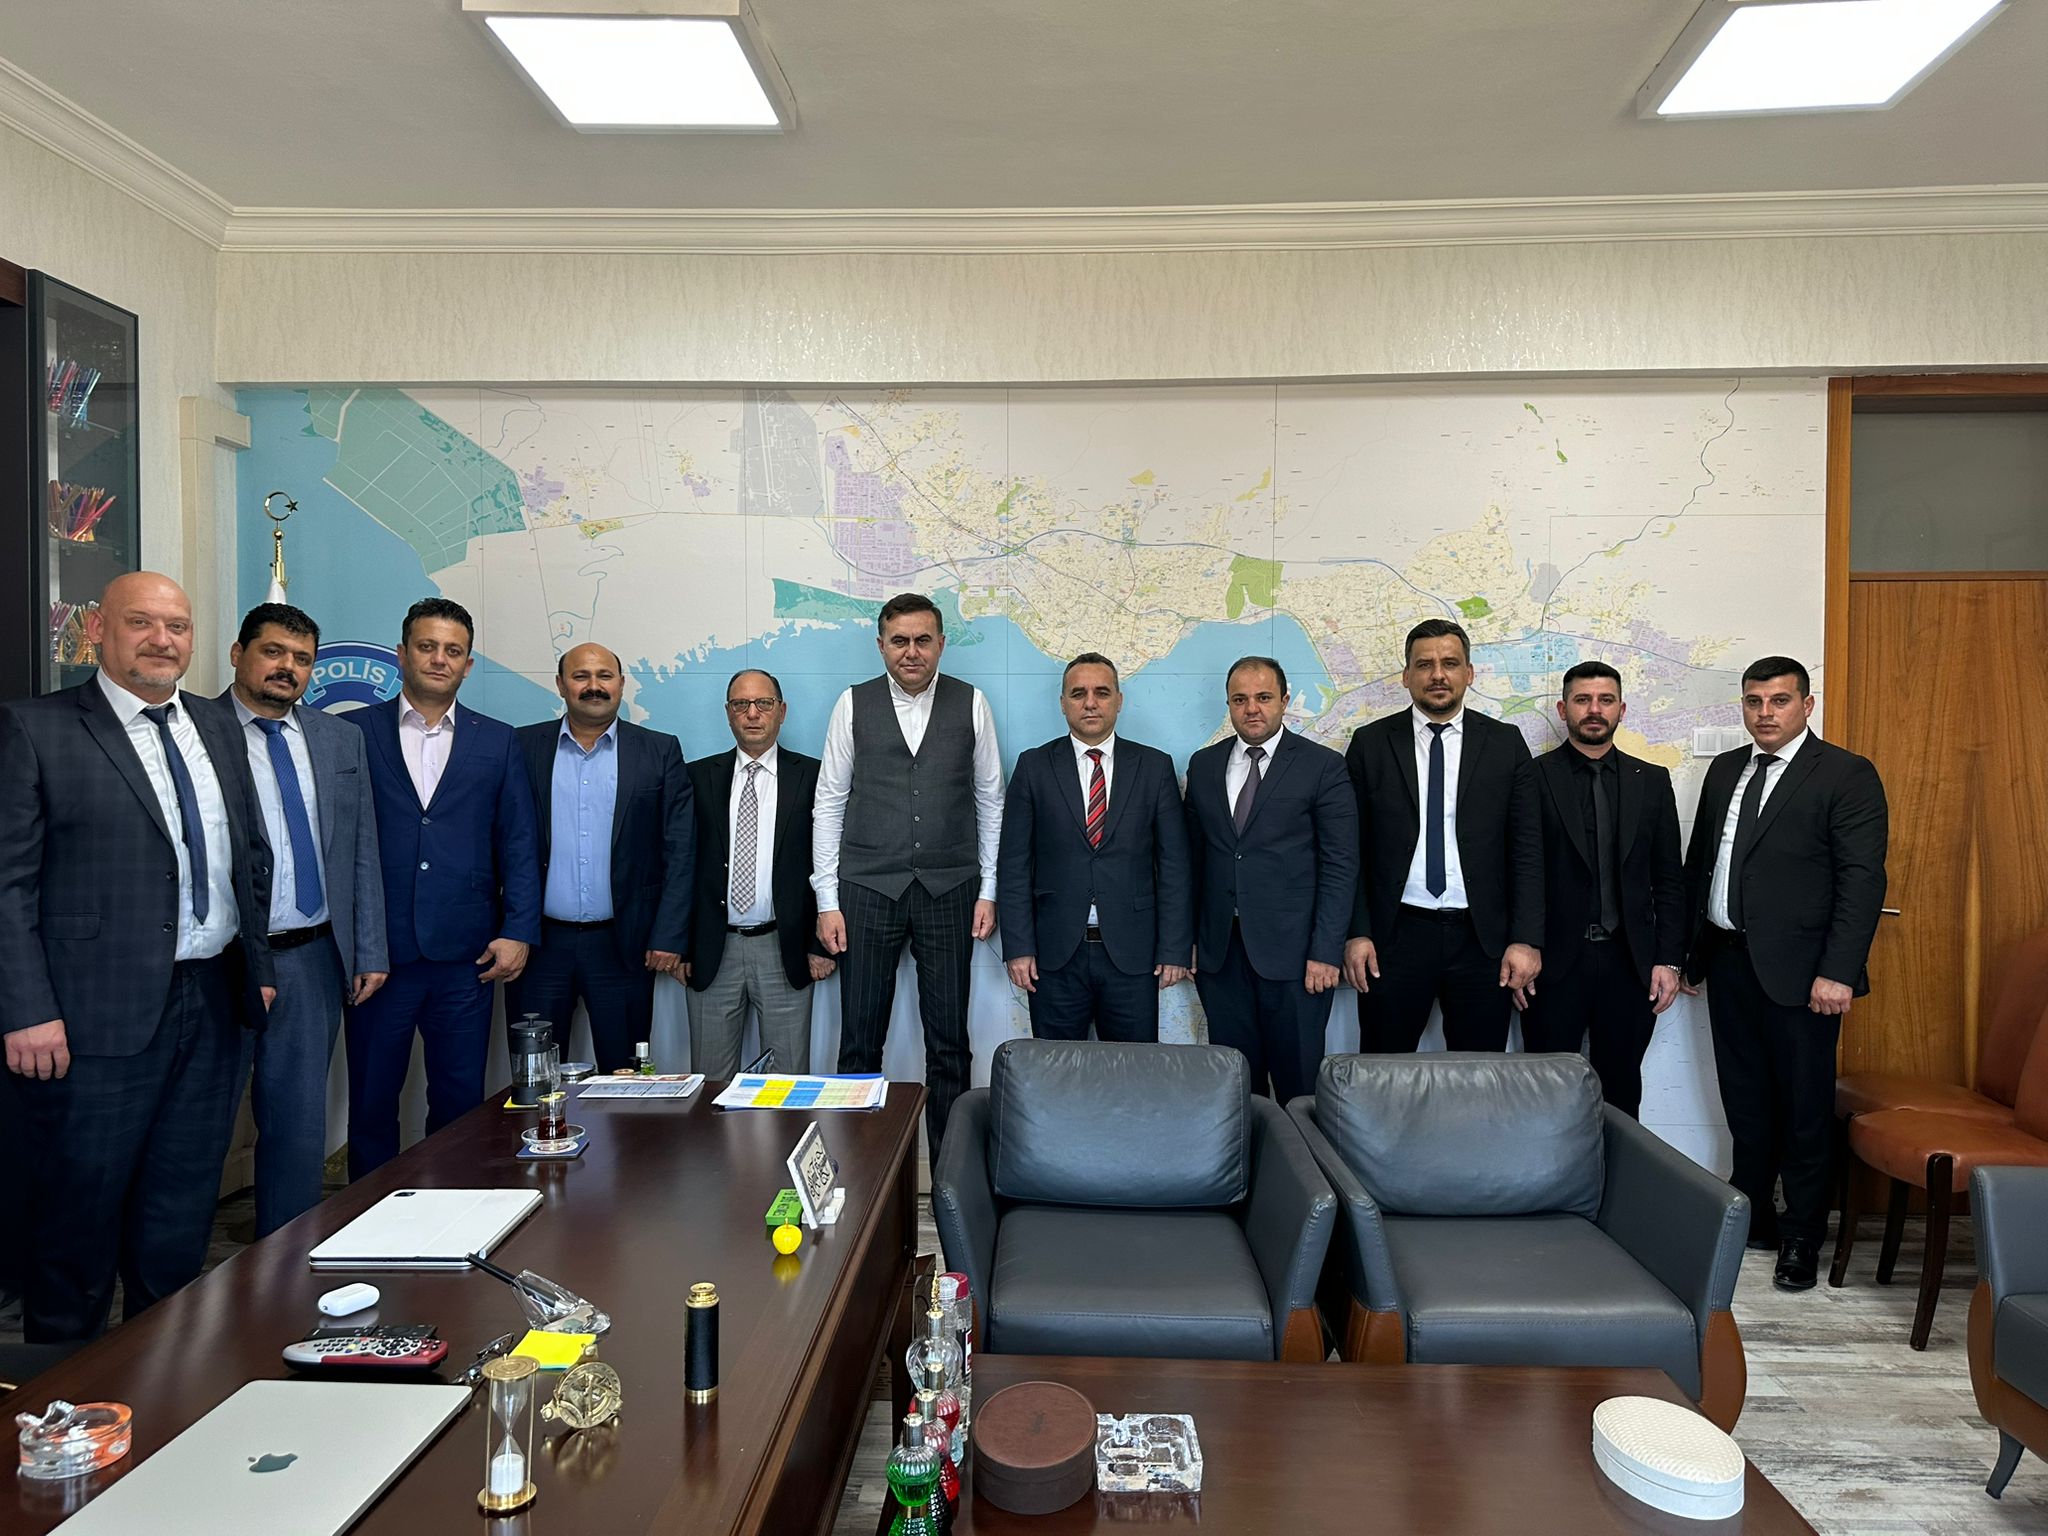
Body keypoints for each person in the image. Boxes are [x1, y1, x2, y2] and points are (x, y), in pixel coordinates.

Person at [0, 572, 277, 1340]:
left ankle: (162, 1375)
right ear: (99, 630)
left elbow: (249, 856)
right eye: (141, 623)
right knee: (77, 1222)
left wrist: (258, 972)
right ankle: (62, 1392)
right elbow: (7, 885)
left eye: (177, 626)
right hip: (89, 1020)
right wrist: (25, 1010)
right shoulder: (36, 729)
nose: (162, 640)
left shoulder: (217, 724)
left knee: (178, 1215)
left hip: (214, 1005)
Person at [1684, 655, 1887, 1292]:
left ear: (1807, 705)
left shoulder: (1846, 774)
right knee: (1745, 1100)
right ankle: (1755, 1215)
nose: (1765, 713)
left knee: (1803, 1108)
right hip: (1728, 961)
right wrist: (1690, 953)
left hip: (1805, 976)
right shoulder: (1726, 770)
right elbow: (1703, 864)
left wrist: (1839, 972)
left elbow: (1862, 881)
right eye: (1754, 701)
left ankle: (1802, 1233)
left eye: (1779, 701)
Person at [346, 597, 541, 1177]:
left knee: (459, 1103)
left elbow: (519, 842)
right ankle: (369, 1213)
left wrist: (518, 930)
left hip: (467, 957)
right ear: (401, 654)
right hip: (380, 957)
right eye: (427, 647)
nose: (439, 659)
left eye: (452, 651)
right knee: (371, 1101)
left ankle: (455, 1207)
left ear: (468, 665)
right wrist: (356, 941)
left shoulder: (496, 740)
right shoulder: (352, 732)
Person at [219, 602, 389, 1235]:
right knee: (200, 1122)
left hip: (313, 957)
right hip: (222, 959)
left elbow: (360, 849)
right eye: (273, 652)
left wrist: (369, 948)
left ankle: (284, 1257)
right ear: (238, 654)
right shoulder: (195, 729)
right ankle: (179, 1276)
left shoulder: (340, 738)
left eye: (301, 659)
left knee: (297, 1123)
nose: (287, 667)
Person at [814, 592, 1003, 1155]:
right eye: (900, 641)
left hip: (951, 889)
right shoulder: (853, 704)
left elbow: (991, 800)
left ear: (941, 644)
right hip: (867, 889)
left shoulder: (972, 703)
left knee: (949, 1045)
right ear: (881, 646)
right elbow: (830, 801)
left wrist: (989, 889)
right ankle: (860, 1173)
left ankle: (951, 1175)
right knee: (859, 1041)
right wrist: (827, 899)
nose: (911, 652)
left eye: (923, 640)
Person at [1342, 619, 1543, 1051]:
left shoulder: (1505, 744)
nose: (1438, 675)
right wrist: (1357, 931)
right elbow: (1350, 849)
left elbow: (1527, 850)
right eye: (1424, 664)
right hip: (1393, 939)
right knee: (1384, 1072)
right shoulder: (1370, 744)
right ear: (1406, 675)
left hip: (1482, 942)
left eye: (1450, 663)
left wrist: (1525, 939)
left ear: (1469, 673)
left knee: (1477, 1075)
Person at [507, 643, 693, 1074]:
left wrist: (669, 934)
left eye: (605, 676)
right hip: (539, 946)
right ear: (560, 684)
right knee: (535, 1077)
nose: (594, 686)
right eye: (581, 676)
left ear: (622, 684)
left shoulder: (659, 750)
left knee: (624, 1076)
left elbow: (680, 849)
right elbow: (502, 840)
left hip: (623, 945)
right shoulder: (522, 746)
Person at [1183, 656, 1357, 1101]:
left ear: (1284, 700)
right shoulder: (1203, 766)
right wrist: (1188, 940)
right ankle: (1248, 1151)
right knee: (1236, 1088)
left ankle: (1299, 1152)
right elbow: (1192, 860)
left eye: (1263, 697)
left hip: (1297, 959)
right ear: (1229, 704)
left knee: (1299, 1088)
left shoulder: (1322, 766)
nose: (1252, 709)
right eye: (1240, 700)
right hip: (1221, 956)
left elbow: (1340, 865)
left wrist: (1325, 951)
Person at [1518, 662, 1684, 1119]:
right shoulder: (1532, 777)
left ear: (1621, 709)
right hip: (1552, 966)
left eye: (1605, 700)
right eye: (1583, 700)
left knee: (1622, 1092)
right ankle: (1549, 1170)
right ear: (1563, 709)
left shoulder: (1652, 780)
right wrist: (1522, 947)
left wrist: (1669, 959)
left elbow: (1669, 878)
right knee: (1547, 1094)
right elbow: (1518, 871)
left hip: (1630, 964)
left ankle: (1618, 1168)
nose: (1594, 709)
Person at [998, 654, 1192, 1041]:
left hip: (1133, 956)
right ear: (1063, 703)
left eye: (1102, 693)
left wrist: (1174, 949)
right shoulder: (1034, 767)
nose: (1090, 703)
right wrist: (1018, 947)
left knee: (1132, 1069)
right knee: (1055, 1069)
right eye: (1078, 693)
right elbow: (1015, 863)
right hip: (1053, 957)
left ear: (1119, 700)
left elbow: (1174, 864)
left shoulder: (1154, 767)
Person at [683, 669, 833, 1076]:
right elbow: (679, 867)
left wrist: (819, 946)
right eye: (741, 704)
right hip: (713, 950)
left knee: (787, 1082)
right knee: (711, 1082)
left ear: (781, 711)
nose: (752, 713)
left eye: (763, 703)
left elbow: (831, 861)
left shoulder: (815, 777)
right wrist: (681, 946)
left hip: (784, 948)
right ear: (728, 713)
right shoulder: (696, 777)